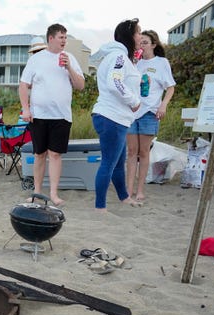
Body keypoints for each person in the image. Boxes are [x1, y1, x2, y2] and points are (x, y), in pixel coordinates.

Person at [19, 23, 85, 207]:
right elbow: (23, 84)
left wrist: (69, 67)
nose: (64, 40)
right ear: (51, 38)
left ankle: (54, 194)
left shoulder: (70, 58)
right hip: (39, 115)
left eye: (66, 37)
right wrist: (26, 109)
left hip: (62, 116)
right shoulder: (36, 59)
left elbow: (80, 86)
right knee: (39, 154)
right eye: (61, 37)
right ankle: (37, 192)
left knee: (55, 154)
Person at [91, 18, 143, 212]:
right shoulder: (118, 57)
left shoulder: (121, 57)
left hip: (115, 117)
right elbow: (115, 83)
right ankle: (100, 207)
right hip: (111, 118)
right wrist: (134, 101)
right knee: (109, 163)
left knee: (118, 162)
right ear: (129, 36)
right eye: (138, 33)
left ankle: (124, 197)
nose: (140, 37)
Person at [126, 30, 176, 202]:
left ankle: (140, 190)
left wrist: (163, 105)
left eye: (145, 42)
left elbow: (170, 87)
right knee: (131, 151)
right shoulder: (134, 63)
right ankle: (129, 189)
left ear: (154, 44)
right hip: (133, 111)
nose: (142, 45)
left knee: (143, 152)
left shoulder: (161, 62)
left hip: (150, 111)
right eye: (140, 42)